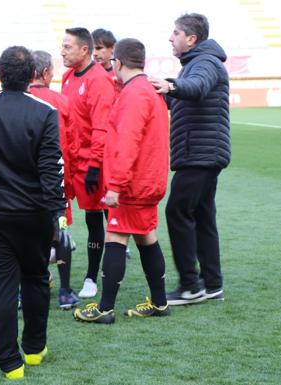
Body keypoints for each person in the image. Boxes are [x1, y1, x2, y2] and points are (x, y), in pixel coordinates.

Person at [0, 46, 66, 380]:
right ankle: (34, 349)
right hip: (32, 213)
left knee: (1, 283)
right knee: (35, 277)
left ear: (0, 75)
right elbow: (52, 167)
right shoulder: (44, 112)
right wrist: (56, 212)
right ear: (32, 75)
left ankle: (10, 363)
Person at [73, 38, 170, 323]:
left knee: (115, 236)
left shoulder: (134, 94)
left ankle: (104, 309)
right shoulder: (147, 91)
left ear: (118, 62)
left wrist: (115, 184)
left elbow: (127, 142)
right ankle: (160, 303)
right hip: (149, 180)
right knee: (145, 235)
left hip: (132, 183)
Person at [149, 13, 231, 305]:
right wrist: (150, 89)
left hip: (200, 153)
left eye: (175, 33)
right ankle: (212, 283)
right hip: (200, 152)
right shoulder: (195, 64)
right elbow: (178, 96)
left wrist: (171, 85)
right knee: (203, 216)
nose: (171, 38)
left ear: (191, 39)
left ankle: (189, 286)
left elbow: (195, 88)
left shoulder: (205, 63)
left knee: (177, 211)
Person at [60, 27, 115, 299]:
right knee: (92, 219)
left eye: (68, 47)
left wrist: (95, 165)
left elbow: (101, 127)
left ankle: (94, 277)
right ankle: (95, 275)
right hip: (76, 164)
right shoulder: (68, 77)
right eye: (62, 46)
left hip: (100, 165)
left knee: (111, 221)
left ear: (84, 50)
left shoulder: (99, 80)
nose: (62, 51)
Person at [28, 50, 79, 310]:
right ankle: (66, 292)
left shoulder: (20, 100)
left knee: (25, 236)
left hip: (24, 184)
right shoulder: (61, 101)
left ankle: (27, 289)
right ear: (47, 72)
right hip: (56, 181)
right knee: (61, 234)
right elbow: (72, 145)